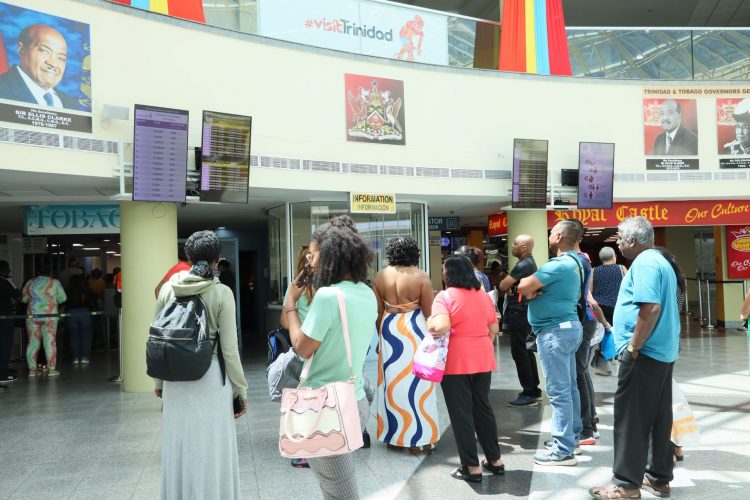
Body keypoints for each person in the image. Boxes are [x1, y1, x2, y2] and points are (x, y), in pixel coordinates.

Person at [283, 215, 377, 500]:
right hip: (354, 398)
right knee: (335, 483)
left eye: (313, 255)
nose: (309, 262)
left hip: (323, 405)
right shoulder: (367, 293)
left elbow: (301, 346)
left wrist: (290, 302)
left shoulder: (327, 297)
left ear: (330, 255)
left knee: (340, 491)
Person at [589, 216, 681, 500]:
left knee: (631, 418)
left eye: (619, 237)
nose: (617, 242)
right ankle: (658, 476)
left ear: (631, 240)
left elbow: (650, 308)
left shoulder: (644, 263)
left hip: (645, 354)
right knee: (658, 416)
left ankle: (627, 484)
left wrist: (633, 347)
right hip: (661, 353)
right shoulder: (659, 260)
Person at [154, 230, 248, 500]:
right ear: (216, 260)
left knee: (179, 445)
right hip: (210, 377)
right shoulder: (221, 292)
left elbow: (157, 338)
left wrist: (159, 383)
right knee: (213, 447)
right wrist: (240, 390)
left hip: (174, 378)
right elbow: (229, 349)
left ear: (188, 256)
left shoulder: (168, 289)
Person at [427, 255, 502, 483]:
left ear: (449, 273)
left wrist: (431, 321)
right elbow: (494, 328)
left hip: (456, 362)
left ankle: (471, 467)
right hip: (482, 359)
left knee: (461, 415)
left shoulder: (444, 296)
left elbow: (439, 326)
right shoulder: (482, 295)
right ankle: (495, 461)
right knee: (482, 408)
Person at [518, 220, 583, 466]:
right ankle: (571, 437)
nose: (550, 234)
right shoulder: (576, 262)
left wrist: (530, 292)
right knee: (569, 387)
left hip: (554, 332)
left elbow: (523, 286)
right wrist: (532, 291)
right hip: (568, 328)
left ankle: (562, 450)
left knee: (558, 392)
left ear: (558, 237)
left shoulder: (559, 264)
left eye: (553, 231)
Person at [372, 235, 438, 453]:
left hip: (389, 327)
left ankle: (394, 436)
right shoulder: (421, 276)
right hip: (414, 328)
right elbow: (430, 313)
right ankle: (420, 438)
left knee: (392, 383)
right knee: (419, 384)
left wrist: (380, 338)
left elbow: (378, 313)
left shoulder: (380, 276)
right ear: (414, 253)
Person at [279, 246, 316, 469]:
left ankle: (303, 450)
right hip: (326, 346)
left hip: (303, 345)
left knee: (304, 396)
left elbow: (284, 322)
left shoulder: (295, 288)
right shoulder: (329, 287)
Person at [499, 234, 542, 407]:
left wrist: (509, 286)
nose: (512, 246)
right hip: (524, 310)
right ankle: (533, 388)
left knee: (520, 353)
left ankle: (529, 392)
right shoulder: (528, 263)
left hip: (520, 312)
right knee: (527, 350)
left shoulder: (524, 264)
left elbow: (503, 285)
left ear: (524, 248)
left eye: (515, 244)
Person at [0, 24, 80, 110]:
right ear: (21, 50)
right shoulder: (3, 89)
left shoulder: (71, 103)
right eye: (44, 51)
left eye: (60, 58)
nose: (53, 64)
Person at [22, 262, 66, 377]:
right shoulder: (55, 282)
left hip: (32, 316)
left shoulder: (30, 283)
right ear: (50, 272)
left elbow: (24, 299)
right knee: (50, 342)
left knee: (32, 343)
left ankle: (32, 370)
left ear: (37, 272)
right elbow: (63, 298)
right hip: (50, 316)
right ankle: (51, 369)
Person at [591, 246, 627, 376]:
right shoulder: (621, 268)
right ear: (613, 257)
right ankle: (621, 362)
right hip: (619, 306)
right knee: (620, 334)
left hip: (601, 308)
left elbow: (590, 291)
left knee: (604, 335)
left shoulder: (594, 271)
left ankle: (604, 367)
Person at [65, 274, 96, 366]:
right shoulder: (87, 290)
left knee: (73, 337)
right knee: (86, 337)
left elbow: (63, 301)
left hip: (71, 314)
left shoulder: (68, 291)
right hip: (85, 313)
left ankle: (75, 357)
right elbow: (93, 301)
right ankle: (84, 357)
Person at [0, 260, 21, 385]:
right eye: (8, 269)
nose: (9, 271)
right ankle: (3, 373)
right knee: (4, 345)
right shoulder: (6, 282)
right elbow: (18, 296)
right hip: (5, 319)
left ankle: (3, 369)